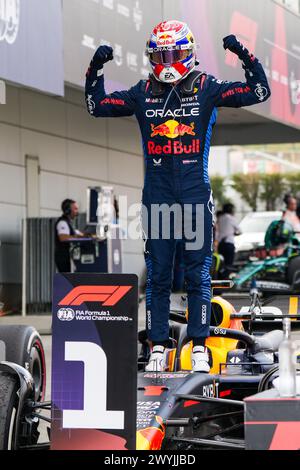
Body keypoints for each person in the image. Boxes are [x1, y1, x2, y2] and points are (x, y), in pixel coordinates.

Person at [85, 21, 271, 372]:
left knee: (197, 274)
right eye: (162, 54)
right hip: (157, 198)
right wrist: (95, 68)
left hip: (195, 197)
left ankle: (199, 346)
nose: (169, 60)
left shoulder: (207, 86)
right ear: (151, 57)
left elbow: (259, 91)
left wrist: (243, 53)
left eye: (176, 53)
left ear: (190, 53)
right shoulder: (142, 92)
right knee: (157, 277)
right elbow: (96, 106)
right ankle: (158, 346)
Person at [55, 199, 84, 273]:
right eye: (75, 209)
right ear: (68, 210)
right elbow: (63, 237)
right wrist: (77, 237)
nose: (77, 211)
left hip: (67, 257)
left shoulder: (68, 223)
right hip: (63, 258)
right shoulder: (62, 223)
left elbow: (77, 233)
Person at [217, 203, 241, 276]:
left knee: (221, 263)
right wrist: (233, 233)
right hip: (229, 243)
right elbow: (239, 231)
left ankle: (220, 277)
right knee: (229, 264)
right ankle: (226, 279)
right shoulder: (231, 218)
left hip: (220, 244)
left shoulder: (220, 218)